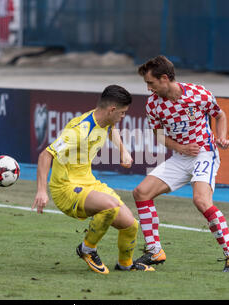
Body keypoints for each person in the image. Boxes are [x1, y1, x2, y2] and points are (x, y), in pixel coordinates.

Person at [133, 55, 229, 272]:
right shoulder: (153, 104)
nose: (148, 88)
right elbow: (159, 135)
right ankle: (155, 251)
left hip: (205, 154)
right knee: (141, 192)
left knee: (201, 200)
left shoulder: (198, 94)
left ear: (164, 78)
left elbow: (219, 115)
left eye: (150, 83)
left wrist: (220, 137)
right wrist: (180, 148)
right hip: (180, 157)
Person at [32, 85, 155, 274]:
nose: (123, 117)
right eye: (122, 113)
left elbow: (111, 128)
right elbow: (45, 155)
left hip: (89, 182)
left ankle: (125, 264)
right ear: (112, 109)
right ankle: (87, 249)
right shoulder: (79, 130)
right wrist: (41, 191)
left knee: (130, 225)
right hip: (66, 188)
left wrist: (123, 151)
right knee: (111, 206)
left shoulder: (104, 119)